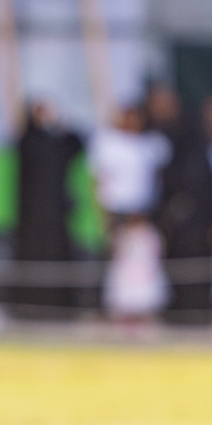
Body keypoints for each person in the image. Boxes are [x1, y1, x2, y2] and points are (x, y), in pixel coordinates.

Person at [90, 104, 170, 325]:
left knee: (143, 260)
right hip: (117, 211)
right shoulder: (108, 143)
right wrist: (103, 213)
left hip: (143, 212)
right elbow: (99, 179)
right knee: (115, 261)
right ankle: (111, 308)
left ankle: (143, 306)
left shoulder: (150, 144)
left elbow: (158, 173)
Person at [148, 84, 212, 324]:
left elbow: (205, 185)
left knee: (197, 267)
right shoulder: (162, 137)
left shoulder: (192, 139)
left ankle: (198, 312)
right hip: (173, 220)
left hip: (197, 220)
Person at [14, 99, 86, 315]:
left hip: (57, 217)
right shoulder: (28, 142)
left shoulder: (59, 142)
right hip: (32, 220)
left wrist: (59, 121)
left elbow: (79, 143)